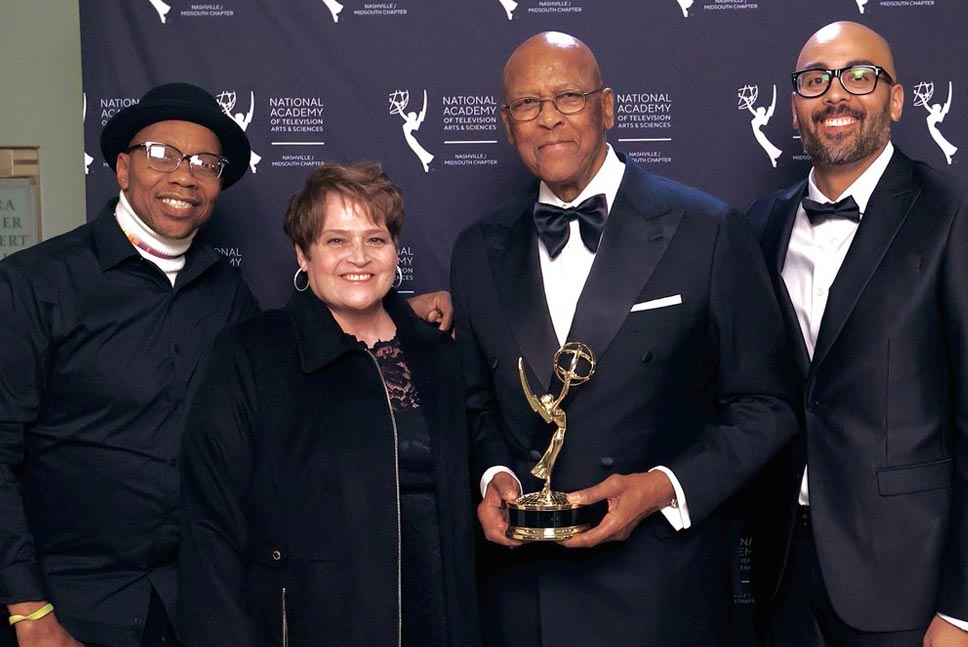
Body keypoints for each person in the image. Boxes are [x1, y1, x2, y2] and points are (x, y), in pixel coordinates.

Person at [0, 83, 450, 647]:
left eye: (205, 164)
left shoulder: (228, 292)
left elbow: (311, 342)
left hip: (195, 602)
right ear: (120, 168)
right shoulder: (34, 284)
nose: (185, 176)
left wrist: (395, 314)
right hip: (70, 606)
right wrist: (28, 608)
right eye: (163, 154)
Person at [451, 32, 798, 646]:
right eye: (527, 104)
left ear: (607, 108)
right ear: (507, 125)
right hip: (523, 599)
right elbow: (475, 403)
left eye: (568, 96)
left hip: (660, 592)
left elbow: (767, 406)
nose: (548, 117)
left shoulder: (707, 231)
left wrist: (659, 487)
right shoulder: (479, 249)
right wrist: (492, 478)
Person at [745, 22, 968, 647]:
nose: (836, 94)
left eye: (860, 75)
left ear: (896, 101)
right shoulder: (761, 223)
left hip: (911, 582)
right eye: (815, 79)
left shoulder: (958, 214)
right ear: (794, 105)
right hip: (784, 577)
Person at [179, 163, 479, 647]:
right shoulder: (253, 353)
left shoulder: (439, 355)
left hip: (438, 618)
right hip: (313, 624)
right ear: (303, 254)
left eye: (375, 239)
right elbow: (208, 520)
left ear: (395, 250)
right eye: (336, 241)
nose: (358, 257)